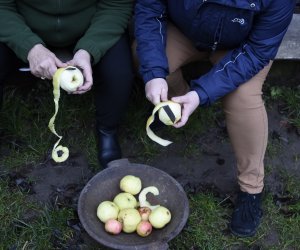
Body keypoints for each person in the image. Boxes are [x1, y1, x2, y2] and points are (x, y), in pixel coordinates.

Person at [134, 0, 295, 237]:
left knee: (243, 97)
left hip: (241, 48)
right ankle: (178, 102)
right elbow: (149, 9)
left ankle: (251, 188)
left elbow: (257, 51)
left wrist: (202, 93)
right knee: (147, 59)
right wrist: (155, 73)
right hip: (186, 33)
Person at [0, 0, 134, 168]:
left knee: (119, 74)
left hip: (91, 28)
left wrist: (89, 49)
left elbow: (116, 5)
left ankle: (107, 129)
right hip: (24, 27)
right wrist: (30, 46)